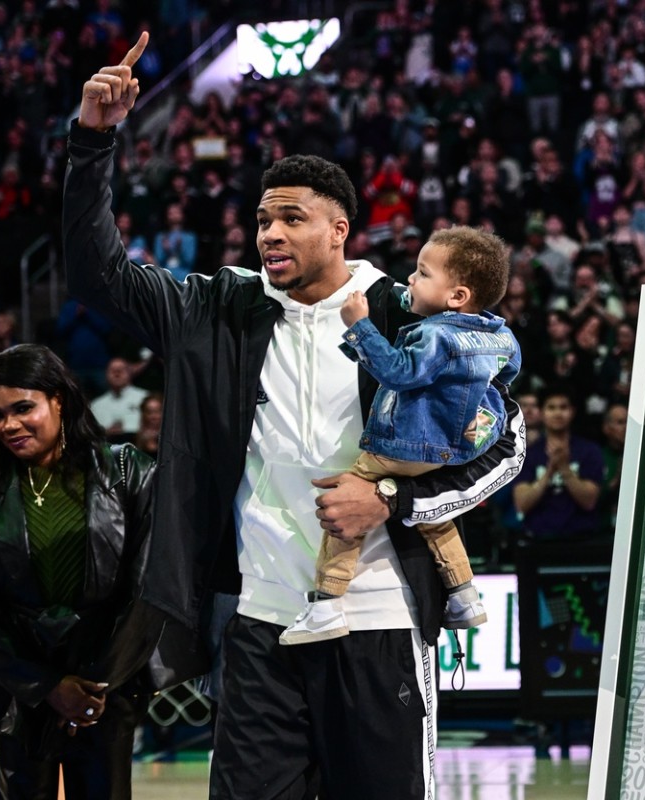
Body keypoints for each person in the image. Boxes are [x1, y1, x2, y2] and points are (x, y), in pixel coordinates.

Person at [66, 35, 524, 799]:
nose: (270, 233)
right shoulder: (214, 307)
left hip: (379, 624)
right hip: (259, 626)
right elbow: (95, 274)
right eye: (262, 219)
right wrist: (93, 142)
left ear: (339, 230)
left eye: (291, 218)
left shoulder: (408, 316)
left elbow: (505, 447)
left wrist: (390, 500)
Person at [281, 226, 521, 645]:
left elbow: (398, 371)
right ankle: (464, 596)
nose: (409, 279)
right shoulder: (500, 333)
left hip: (407, 442)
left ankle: (325, 603)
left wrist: (359, 326)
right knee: (435, 518)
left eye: (423, 273)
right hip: (453, 449)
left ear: (457, 296)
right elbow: (505, 380)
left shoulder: (436, 334)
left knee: (347, 503)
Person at [0, 344, 159, 799]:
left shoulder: (129, 472)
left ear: (59, 399)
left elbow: (147, 588)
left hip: (106, 686)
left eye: (23, 408)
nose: (9, 426)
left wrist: (92, 686)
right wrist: (46, 687)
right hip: (19, 689)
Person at [511, 384, 603, 541]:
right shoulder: (528, 454)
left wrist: (564, 468)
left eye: (563, 407)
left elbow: (589, 501)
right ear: (542, 413)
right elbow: (522, 504)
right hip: (539, 540)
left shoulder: (589, 451)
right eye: (551, 408)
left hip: (582, 539)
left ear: (572, 411)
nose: (558, 413)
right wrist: (549, 471)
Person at [89, 356, 148, 444]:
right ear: (106, 374)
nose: (117, 373)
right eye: (112, 370)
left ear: (130, 372)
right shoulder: (96, 405)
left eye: (121, 370)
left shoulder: (144, 397)